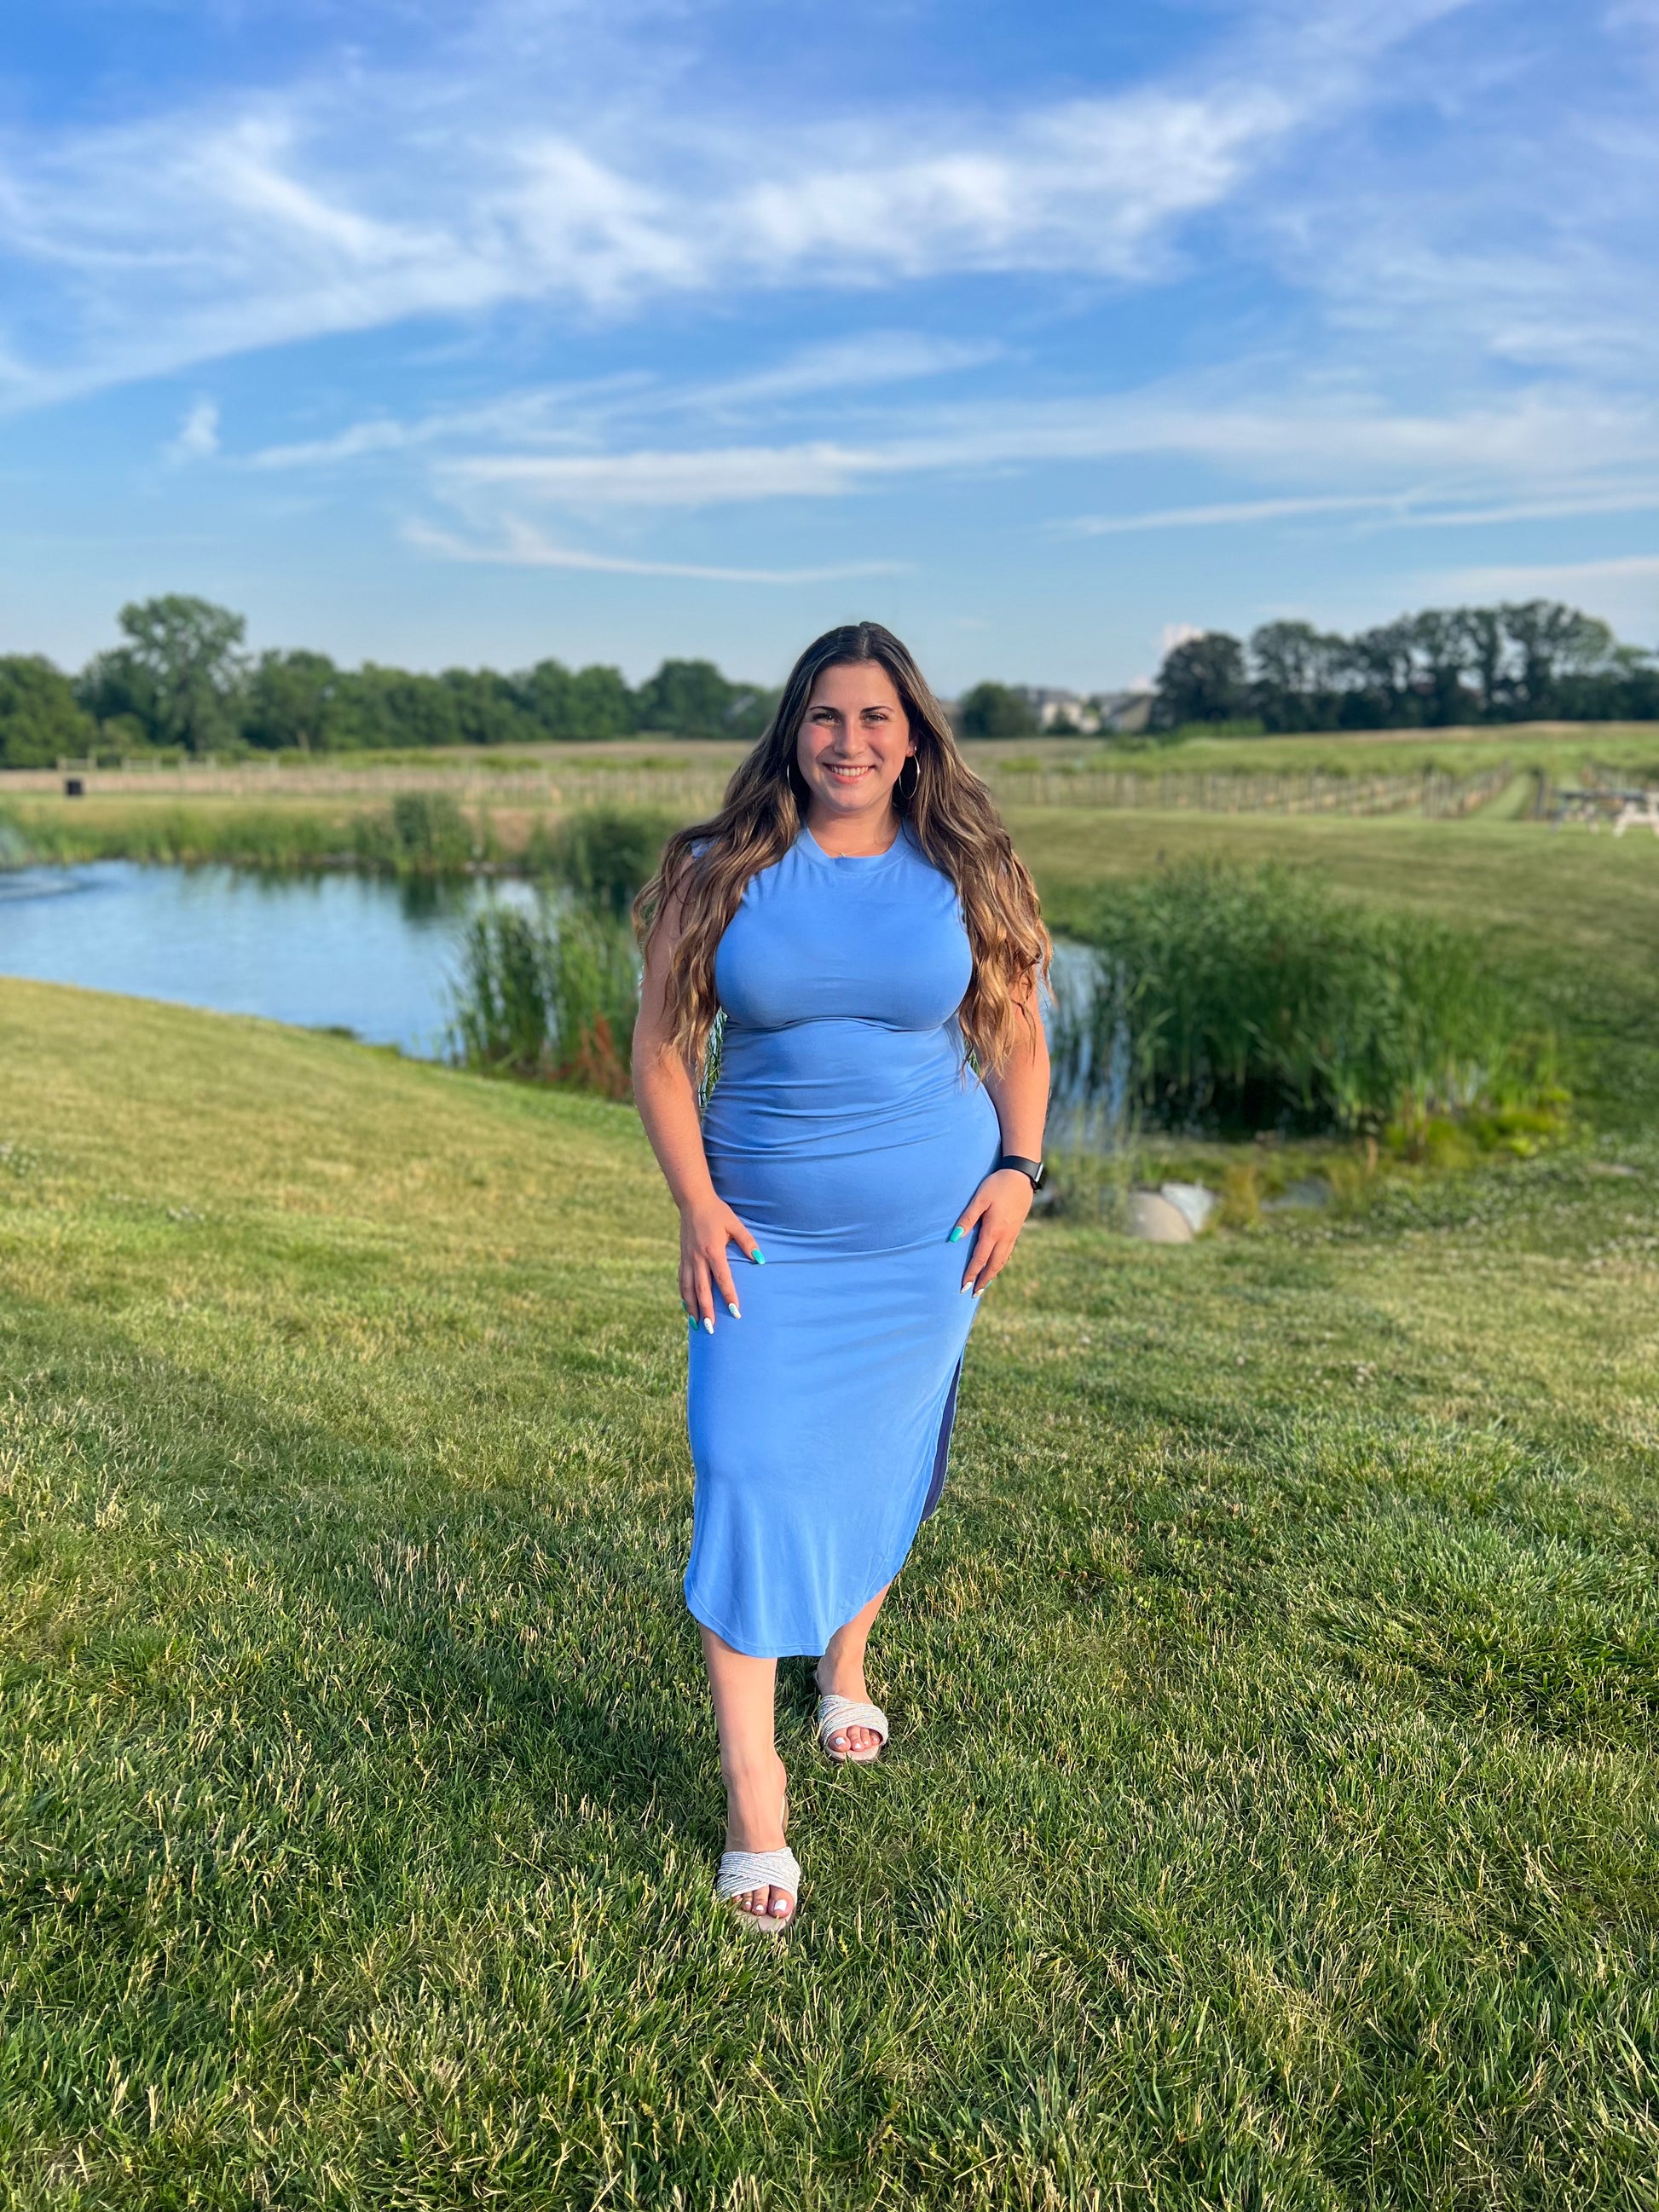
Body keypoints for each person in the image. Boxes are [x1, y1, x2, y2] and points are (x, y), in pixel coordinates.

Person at [632, 621, 1050, 1932]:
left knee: (882, 1453)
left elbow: (1017, 1036)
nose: (848, 741)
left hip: (928, 1243)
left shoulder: (966, 868)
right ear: (793, 731)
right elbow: (659, 1051)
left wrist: (1019, 1168)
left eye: (875, 718)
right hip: (761, 1243)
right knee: (745, 1467)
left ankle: (845, 1664)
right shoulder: (719, 870)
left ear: (911, 737)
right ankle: (752, 1794)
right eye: (825, 716)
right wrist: (695, 1204)